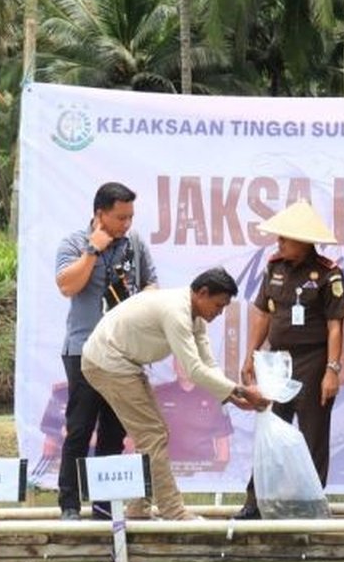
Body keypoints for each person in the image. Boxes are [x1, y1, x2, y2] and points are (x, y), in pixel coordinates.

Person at [81, 267, 269, 520]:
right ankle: (174, 511)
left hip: (123, 363)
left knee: (154, 434)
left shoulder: (196, 317)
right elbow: (193, 369)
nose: (219, 313)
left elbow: (208, 365)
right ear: (202, 293)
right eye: (218, 305)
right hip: (107, 361)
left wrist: (235, 397)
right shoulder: (176, 312)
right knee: (153, 435)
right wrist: (242, 390)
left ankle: (138, 509)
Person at [236, 201, 344, 520]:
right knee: (269, 431)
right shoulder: (274, 267)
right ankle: (255, 501)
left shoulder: (328, 273)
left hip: (313, 361)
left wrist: (332, 369)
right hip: (276, 362)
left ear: (303, 240)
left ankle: (310, 504)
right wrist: (251, 353)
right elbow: (263, 312)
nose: (279, 243)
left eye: (285, 238)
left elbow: (335, 325)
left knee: (312, 434)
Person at [54, 182, 158, 521]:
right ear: (100, 214)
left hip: (123, 353)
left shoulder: (135, 244)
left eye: (130, 217)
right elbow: (67, 286)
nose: (126, 224)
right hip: (83, 349)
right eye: (120, 217)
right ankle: (69, 503)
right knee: (80, 427)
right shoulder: (73, 243)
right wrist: (92, 251)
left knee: (115, 430)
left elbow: (151, 285)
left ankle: (103, 505)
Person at [156, 357, 234, 475]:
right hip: (168, 470)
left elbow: (222, 442)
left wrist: (217, 474)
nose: (183, 366)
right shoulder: (160, 394)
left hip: (203, 471)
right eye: (179, 360)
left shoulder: (213, 395)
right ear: (174, 365)